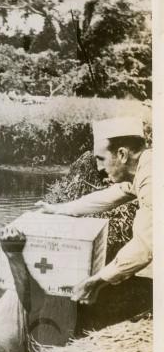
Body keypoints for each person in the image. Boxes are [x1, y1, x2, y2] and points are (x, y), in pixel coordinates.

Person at [36, 116, 152, 305]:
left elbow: (144, 247)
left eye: (101, 159)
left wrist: (96, 280)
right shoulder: (144, 169)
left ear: (122, 154)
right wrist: (59, 209)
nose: (98, 167)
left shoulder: (152, 179)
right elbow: (111, 195)